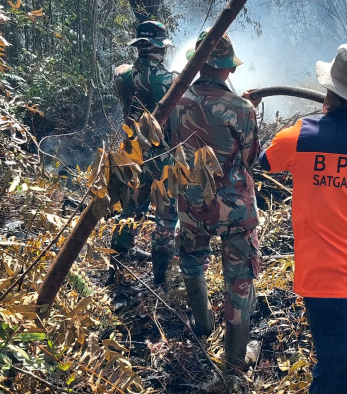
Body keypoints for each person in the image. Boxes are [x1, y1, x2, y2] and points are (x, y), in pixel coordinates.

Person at [252, 45, 347, 394]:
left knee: (338, 379)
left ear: (330, 90)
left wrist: (247, 113)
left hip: (326, 283)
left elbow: (262, 162)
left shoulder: (302, 136)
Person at [169, 29, 260, 373]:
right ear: (228, 69)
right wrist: (247, 107)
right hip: (234, 209)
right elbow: (249, 158)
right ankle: (234, 362)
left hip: (192, 204)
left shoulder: (175, 102)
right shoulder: (242, 109)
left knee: (192, 260)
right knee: (238, 278)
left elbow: (168, 144)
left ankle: (203, 325)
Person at [110, 20, 179, 286]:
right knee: (166, 214)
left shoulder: (120, 74)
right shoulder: (167, 79)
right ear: (160, 48)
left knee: (130, 209)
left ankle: (114, 268)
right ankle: (160, 279)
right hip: (161, 154)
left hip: (131, 152)